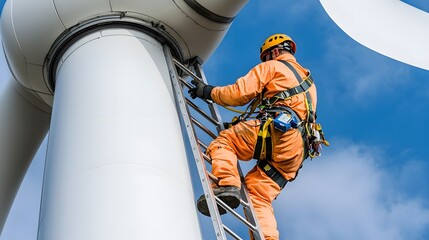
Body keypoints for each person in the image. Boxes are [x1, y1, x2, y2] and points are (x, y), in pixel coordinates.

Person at [189, 33, 327, 240]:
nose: (265, 61)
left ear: (275, 52)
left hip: (277, 131)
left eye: (266, 57)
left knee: (225, 142)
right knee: (259, 195)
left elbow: (237, 94)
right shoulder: (308, 81)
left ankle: (227, 184)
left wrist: (207, 92)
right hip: (296, 151)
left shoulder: (272, 67)